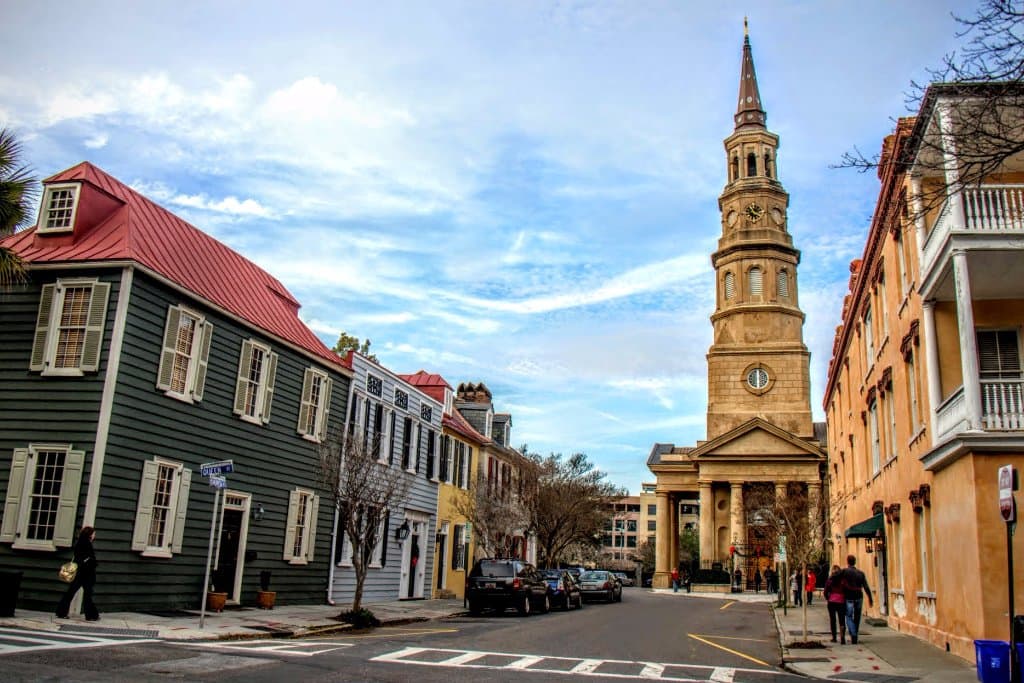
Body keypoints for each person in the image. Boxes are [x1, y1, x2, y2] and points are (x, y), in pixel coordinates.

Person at [56, 526, 99, 621]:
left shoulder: (79, 543)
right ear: (90, 535)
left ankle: (61, 611)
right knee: (88, 594)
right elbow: (90, 559)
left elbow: (77, 557)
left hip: (78, 572)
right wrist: (94, 563)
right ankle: (91, 615)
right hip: (86, 573)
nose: (94, 535)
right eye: (93, 534)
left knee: (71, 592)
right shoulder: (87, 544)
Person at [840, 554, 873, 644]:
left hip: (849, 597)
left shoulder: (844, 572)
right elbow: (866, 586)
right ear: (855, 562)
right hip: (859, 596)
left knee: (849, 616)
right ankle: (855, 634)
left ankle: (853, 633)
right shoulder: (861, 573)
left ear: (847, 562)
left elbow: (835, 578)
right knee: (857, 616)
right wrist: (870, 597)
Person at [824, 564, 847, 644]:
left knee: (833, 620)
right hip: (841, 601)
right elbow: (846, 590)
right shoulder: (843, 580)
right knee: (842, 619)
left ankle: (834, 637)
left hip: (832, 601)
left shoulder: (830, 580)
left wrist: (828, 598)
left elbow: (825, 591)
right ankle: (842, 637)